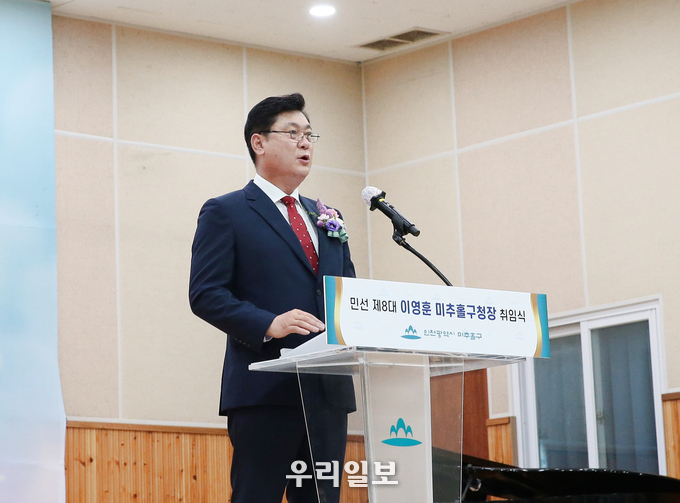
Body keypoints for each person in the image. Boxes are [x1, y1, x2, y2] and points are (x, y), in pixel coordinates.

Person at [189, 93, 356, 503]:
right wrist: (269, 323)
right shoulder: (227, 211)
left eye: (310, 135)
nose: (305, 143)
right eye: (293, 133)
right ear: (258, 142)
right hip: (264, 388)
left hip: (327, 393)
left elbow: (347, 293)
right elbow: (206, 293)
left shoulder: (327, 216)